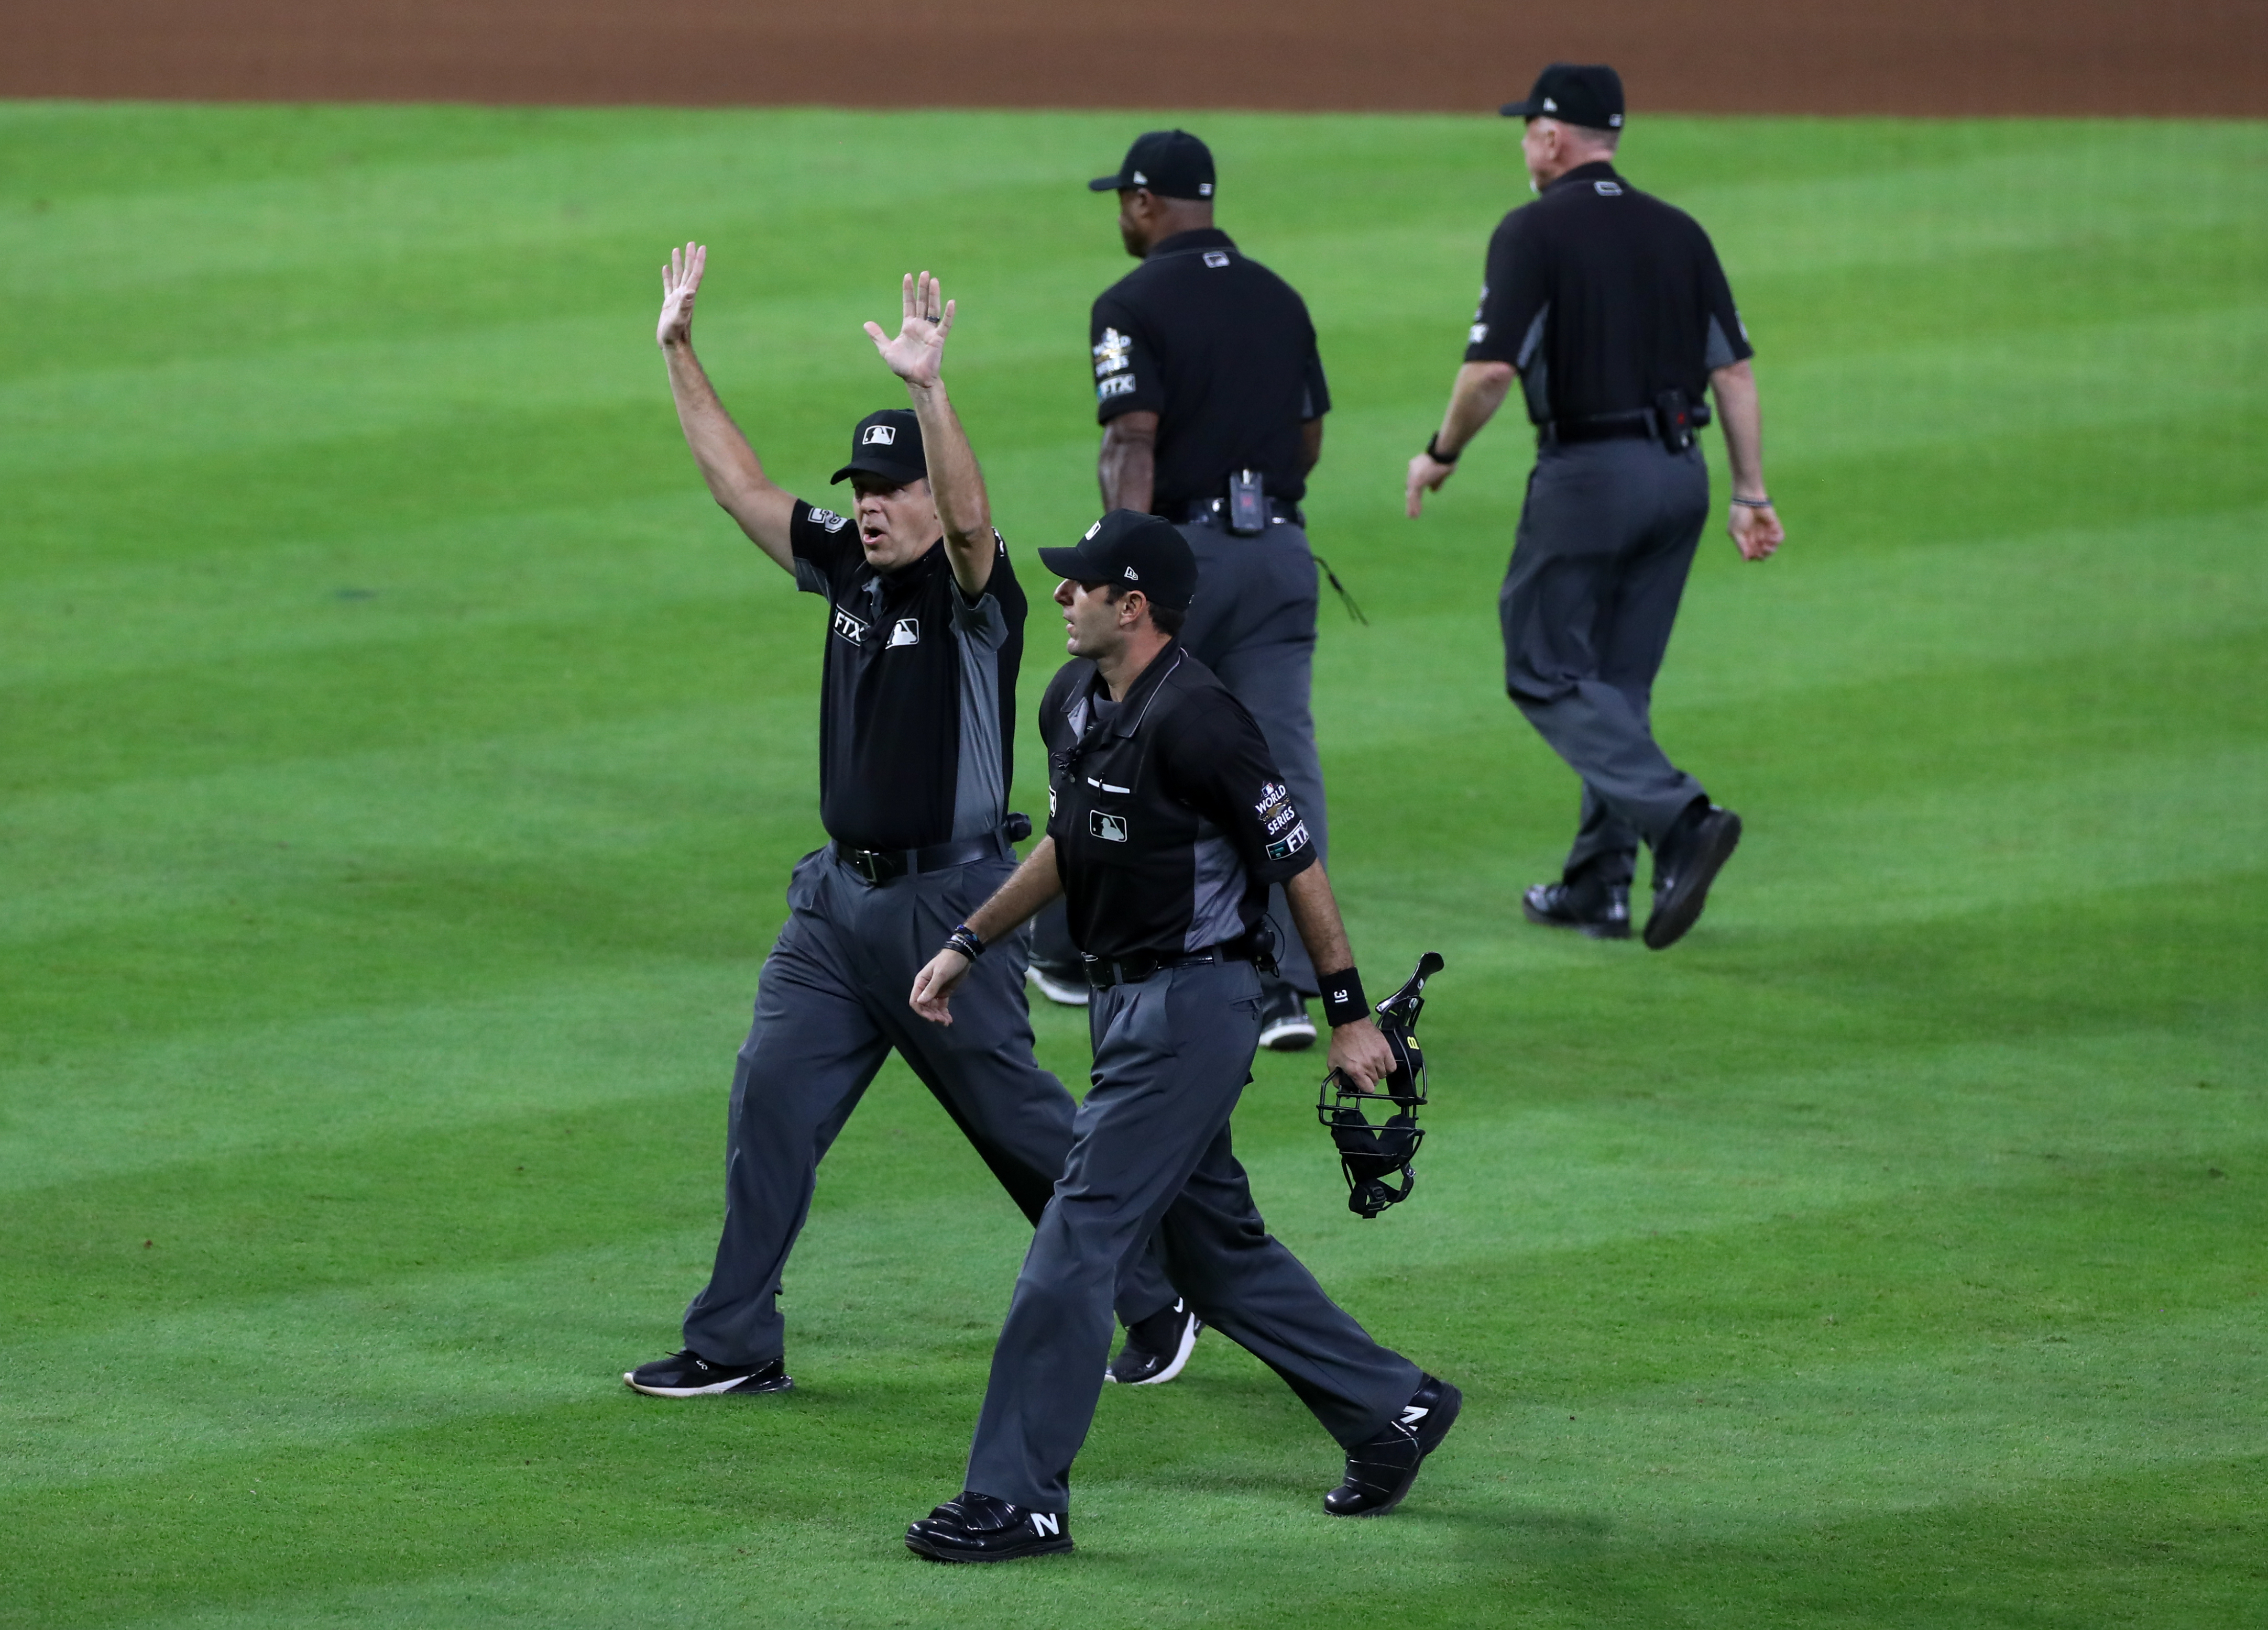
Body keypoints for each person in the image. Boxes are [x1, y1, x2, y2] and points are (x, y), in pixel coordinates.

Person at [624, 246, 1193, 1400]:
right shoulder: (846, 567)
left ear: (930, 493)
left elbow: (979, 524)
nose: (868, 505)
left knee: (1025, 1129)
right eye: (860, 487)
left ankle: (1158, 1290)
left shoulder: (974, 600)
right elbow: (741, 488)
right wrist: (680, 355)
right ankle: (735, 1337)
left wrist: (933, 390)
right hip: (835, 906)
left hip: (954, 905)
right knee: (769, 1100)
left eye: (890, 489)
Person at [901, 512, 1459, 1563]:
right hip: (1126, 1007)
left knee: (1077, 1241)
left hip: (1195, 1008)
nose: (1061, 596)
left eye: (1081, 585)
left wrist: (1346, 1014)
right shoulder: (1074, 700)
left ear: (1135, 606)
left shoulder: (1204, 721)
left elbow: (1297, 862)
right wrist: (971, 940)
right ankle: (1395, 1406)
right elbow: (1072, 841)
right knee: (1211, 1248)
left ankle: (1020, 1495)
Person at [1405, 64, 1784, 950]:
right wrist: (1751, 492)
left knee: (1542, 664)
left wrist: (1442, 452)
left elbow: (1493, 370)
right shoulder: (1681, 231)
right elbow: (1732, 369)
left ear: (1550, 136)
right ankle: (1598, 886)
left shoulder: (1532, 232)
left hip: (1590, 478)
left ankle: (1684, 823)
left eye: (1526, 128)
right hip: (1680, 476)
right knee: (1615, 686)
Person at [1024, 129, 1336, 1054]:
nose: (1121, 213)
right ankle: (1282, 990)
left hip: (1185, 561)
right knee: (1278, 767)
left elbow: (1132, 438)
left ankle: (1078, 954)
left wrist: (1124, 570)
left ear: (1148, 204)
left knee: (1126, 744)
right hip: (1281, 551)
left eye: (1123, 199)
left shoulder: (1130, 300)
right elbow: (1310, 438)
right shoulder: (1280, 296)